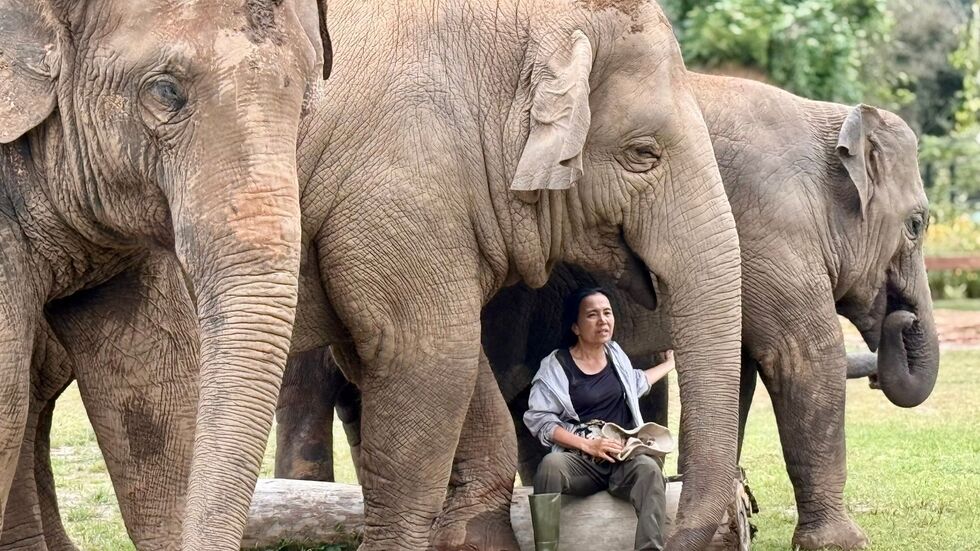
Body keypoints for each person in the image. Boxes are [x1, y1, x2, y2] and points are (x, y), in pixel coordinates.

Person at [523, 287, 676, 551]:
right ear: (575, 326)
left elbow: (636, 383)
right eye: (592, 315)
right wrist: (587, 446)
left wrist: (671, 364)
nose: (603, 320)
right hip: (582, 461)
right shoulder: (556, 366)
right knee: (550, 465)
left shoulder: (615, 354)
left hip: (623, 457)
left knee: (649, 470)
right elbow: (540, 420)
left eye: (607, 313)